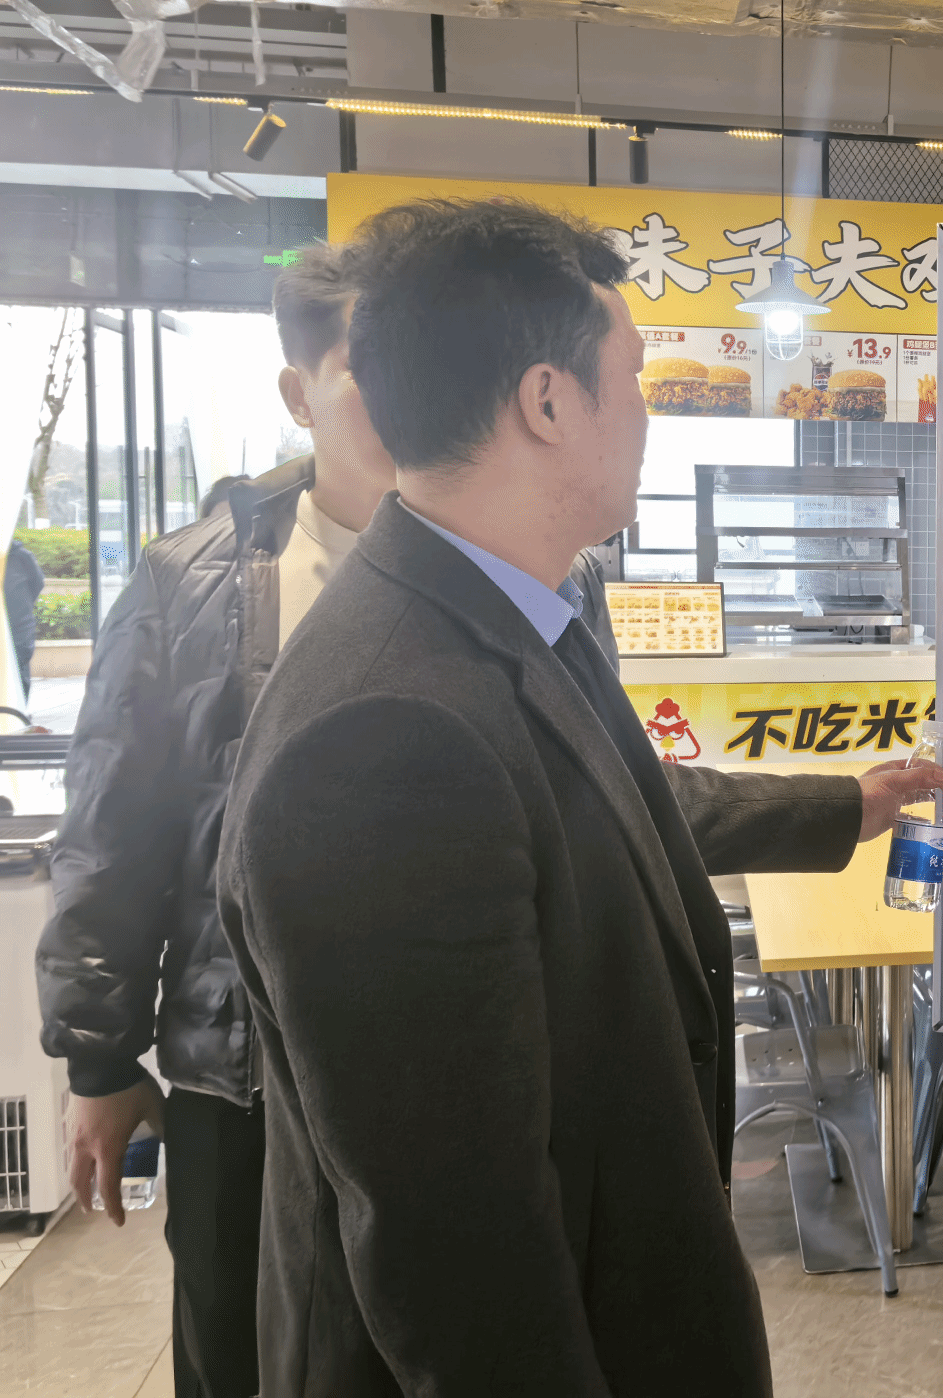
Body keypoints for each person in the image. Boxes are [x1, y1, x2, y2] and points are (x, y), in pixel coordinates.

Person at [215, 198, 943, 1396]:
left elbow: (619, 804)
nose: (649, 413)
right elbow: (458, 1251)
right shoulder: (383, 735)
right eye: (636, 377)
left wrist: (844, 808)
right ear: (547, 403)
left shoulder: (504, 612)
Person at [35, 243, 620, 1398]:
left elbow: (594, 800)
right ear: (299, 392)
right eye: (369, 364)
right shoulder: (192, 583)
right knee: (246, 1355)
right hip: (248, 1077)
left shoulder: (549, 570)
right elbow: (117, 826)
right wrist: (99, 1057)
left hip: (474, 1064)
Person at [4, 535, 42, 696]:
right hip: (19, 630)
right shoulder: (21, 556)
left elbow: (37, 584)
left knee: (18, 684)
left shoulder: (20, 557)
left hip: (18, 633)